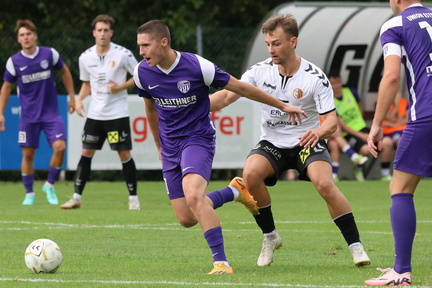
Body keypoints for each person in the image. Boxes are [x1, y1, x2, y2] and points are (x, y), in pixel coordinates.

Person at [133, 19, 306, 274]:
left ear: (163, 42)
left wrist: (282, 105)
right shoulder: (141, 73)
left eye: (145, 45)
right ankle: (234, 191)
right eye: (139, 46)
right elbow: (150, 109)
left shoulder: (197, 66)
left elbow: (241, 87)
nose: (141, 52)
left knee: (193, 195)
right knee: (187, 218)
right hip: (170, 146)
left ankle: (221, 262)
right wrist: (158, 144)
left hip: (197, 138)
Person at [210, 14, 370, 268]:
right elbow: (227, 96)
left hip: (307, 141)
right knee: (250, 176)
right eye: (268, 44)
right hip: (273, 143)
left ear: (293, 42)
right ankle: (270, 237)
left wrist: (318, 132)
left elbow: (330, 122)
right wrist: (194, 108)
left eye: (277, 43)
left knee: (325, 184)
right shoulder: (259, 72)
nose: (271, 49)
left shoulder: (314, 77)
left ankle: (355, 245)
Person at [365, 0, 431, 286]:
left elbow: (391, 75)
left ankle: (401, 272)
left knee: (400, 188)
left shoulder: (396, 24)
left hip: (426, 116)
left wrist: (377, 124)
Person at [60, 14, 140, 210]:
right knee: (86, 152)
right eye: (99, 30)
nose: (103, 34)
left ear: (111, 32)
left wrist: (120, 87)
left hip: (117, 114)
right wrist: (79, 100)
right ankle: (76, 197)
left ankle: (133, 199)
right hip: (95, 115)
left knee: (124, 154)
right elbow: (87, 84)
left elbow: (140, 75)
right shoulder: (85, 57)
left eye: (106, 30)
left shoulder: (123, 54)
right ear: (93, 33)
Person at [0, 19, 75, 205]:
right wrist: (0, 113)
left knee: (60, 147)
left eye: (28, 34)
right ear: (18, 39)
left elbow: (65, 72)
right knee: (28, 155)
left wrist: (73, 97)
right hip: (28, 116)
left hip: (51, 113)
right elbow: (6, 87)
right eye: (22, 35)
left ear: (35, 35)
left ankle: (49, 185)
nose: (26, 38)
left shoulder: (49, 54)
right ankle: (29, 193)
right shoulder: (14, 61)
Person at [328, 71, 394, 181]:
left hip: (362, 127)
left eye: (337, 82)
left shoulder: (351, 92)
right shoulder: (330, 101)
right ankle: (357, 168)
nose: (336, 86)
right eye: (333, 83)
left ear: (341, 82)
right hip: (348, 134)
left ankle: (385, 173)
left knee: (387, 142)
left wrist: (360, 119)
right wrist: (361, 135)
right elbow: (342, 125)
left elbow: (360, 105)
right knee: (365, 149)